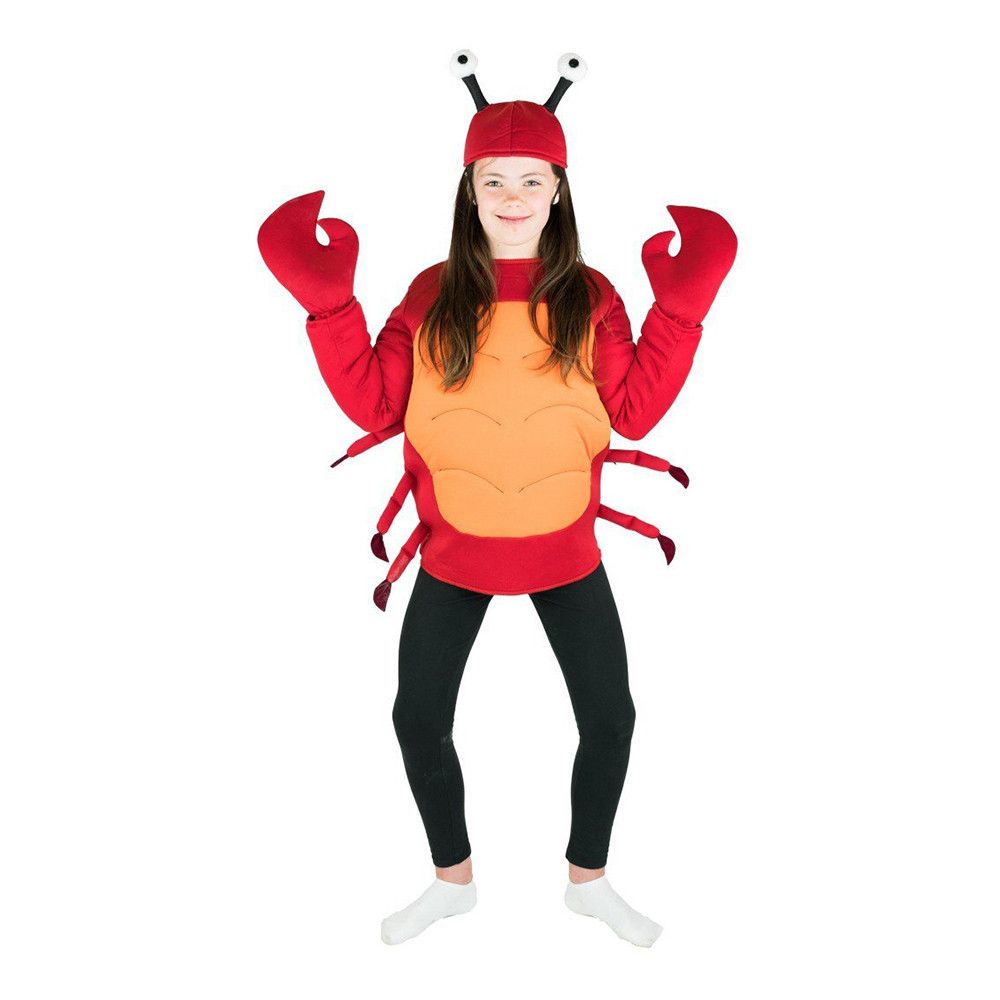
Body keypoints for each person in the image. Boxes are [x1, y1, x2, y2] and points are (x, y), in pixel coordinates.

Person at [257, 51, 736, 948]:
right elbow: (376, 403)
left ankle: (589, 882)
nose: (512, 197)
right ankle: (452, 882)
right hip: (455, 555)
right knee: (417, 718)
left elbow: (633, 411)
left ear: (559, 190)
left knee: (611, 718)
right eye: (494, 180)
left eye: (530, 180)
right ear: (468, 189)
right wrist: (329, 307)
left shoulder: (592, 296)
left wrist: (681, 312)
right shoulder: (430, 294)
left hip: (567, 554)